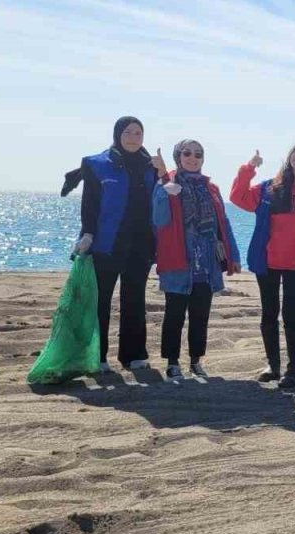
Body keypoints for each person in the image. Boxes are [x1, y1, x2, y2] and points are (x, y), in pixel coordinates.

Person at [231, 142, 295, 389]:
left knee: (291, 315)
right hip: (267, 260)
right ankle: (273, 366)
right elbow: (237, 197)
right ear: (290, 155)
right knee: (268, 313)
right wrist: (249, 168)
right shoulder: (269, 187)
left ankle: (293, 370)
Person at [73, 116, 164, 374]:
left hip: (141, 245)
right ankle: (97, 356)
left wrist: (162, 172)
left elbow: (164, 200)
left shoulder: (152, 166)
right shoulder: (97, 164)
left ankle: (133, 355)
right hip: (106, 243)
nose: (134, 137)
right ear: (118, 134)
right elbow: (89, 204)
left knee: (134, 300)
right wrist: (87, 234)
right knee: (100, 301)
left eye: (138, 133)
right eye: (129, 132)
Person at [152, 139, 242, 379]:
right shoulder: (167, 182)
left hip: (207, 262)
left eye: (198, 154)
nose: (193, 158)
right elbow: (159, 220)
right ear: (177, 156)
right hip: (179, 260)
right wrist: (163, 189)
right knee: (175, 315)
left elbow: (224, 223)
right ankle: (172, 363)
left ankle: (195, 361)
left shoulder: (210, 188)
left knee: (200, 315)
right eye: (187, 153)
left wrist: (233, 254)